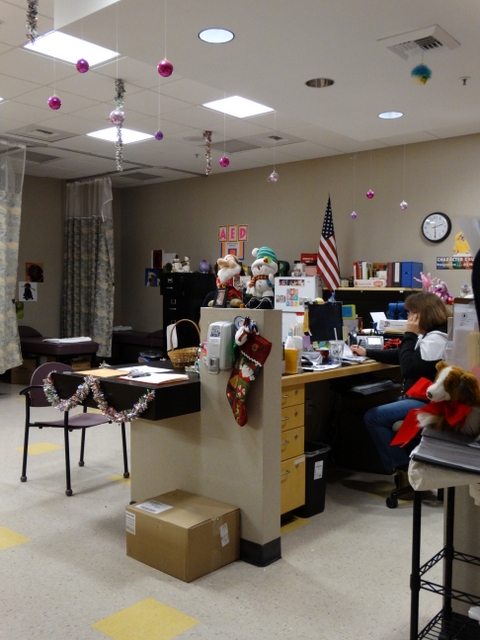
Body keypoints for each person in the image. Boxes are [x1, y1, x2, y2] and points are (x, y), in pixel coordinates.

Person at [350, 291, 451, 475]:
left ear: (421, 314)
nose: (408, 317)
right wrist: (368, 353)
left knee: (373, 417)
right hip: (422, 397)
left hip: (427, 402)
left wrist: (409, 334)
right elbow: (403, 355)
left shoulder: (436, 339)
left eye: (410, 313)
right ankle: (403, 463)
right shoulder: (431, 334)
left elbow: (408, 368)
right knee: (374, 409)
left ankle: (403, 468)